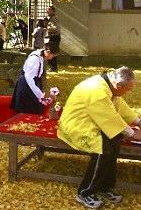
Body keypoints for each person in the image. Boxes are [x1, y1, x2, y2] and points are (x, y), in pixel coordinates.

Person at [58, 67, 141, 209]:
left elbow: (120, 107)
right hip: (76, 124)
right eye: (128, 89)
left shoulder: (109, 85)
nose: (129, 92)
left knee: (115, 141)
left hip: (92, 120)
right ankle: (84, 193)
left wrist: (138, 121)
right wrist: (133, 133)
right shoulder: (96, 90)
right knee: (103, 148)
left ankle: (104, 187)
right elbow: (109, 117)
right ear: (118, 85)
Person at [10, 45, 59, 114]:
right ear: (48, 52)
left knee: (35, 107)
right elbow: (29, 77)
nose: (52, 58)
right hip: (27, 84)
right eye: (52, 56)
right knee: (29, 107)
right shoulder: (34, 59)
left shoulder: (40, 56)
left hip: (32, 82)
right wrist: (39, 94)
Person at [45, 6, 60, 71]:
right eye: (47, 10)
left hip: (55, 37)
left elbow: (56, 28)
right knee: (49, 52)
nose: (47, 11)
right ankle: (52, 67)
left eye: (48, 10)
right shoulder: (50, 19)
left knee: (52, 52)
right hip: (51, 37)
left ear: (53, 11)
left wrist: (47, 28)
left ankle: (53, 68)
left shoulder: (55, 18)